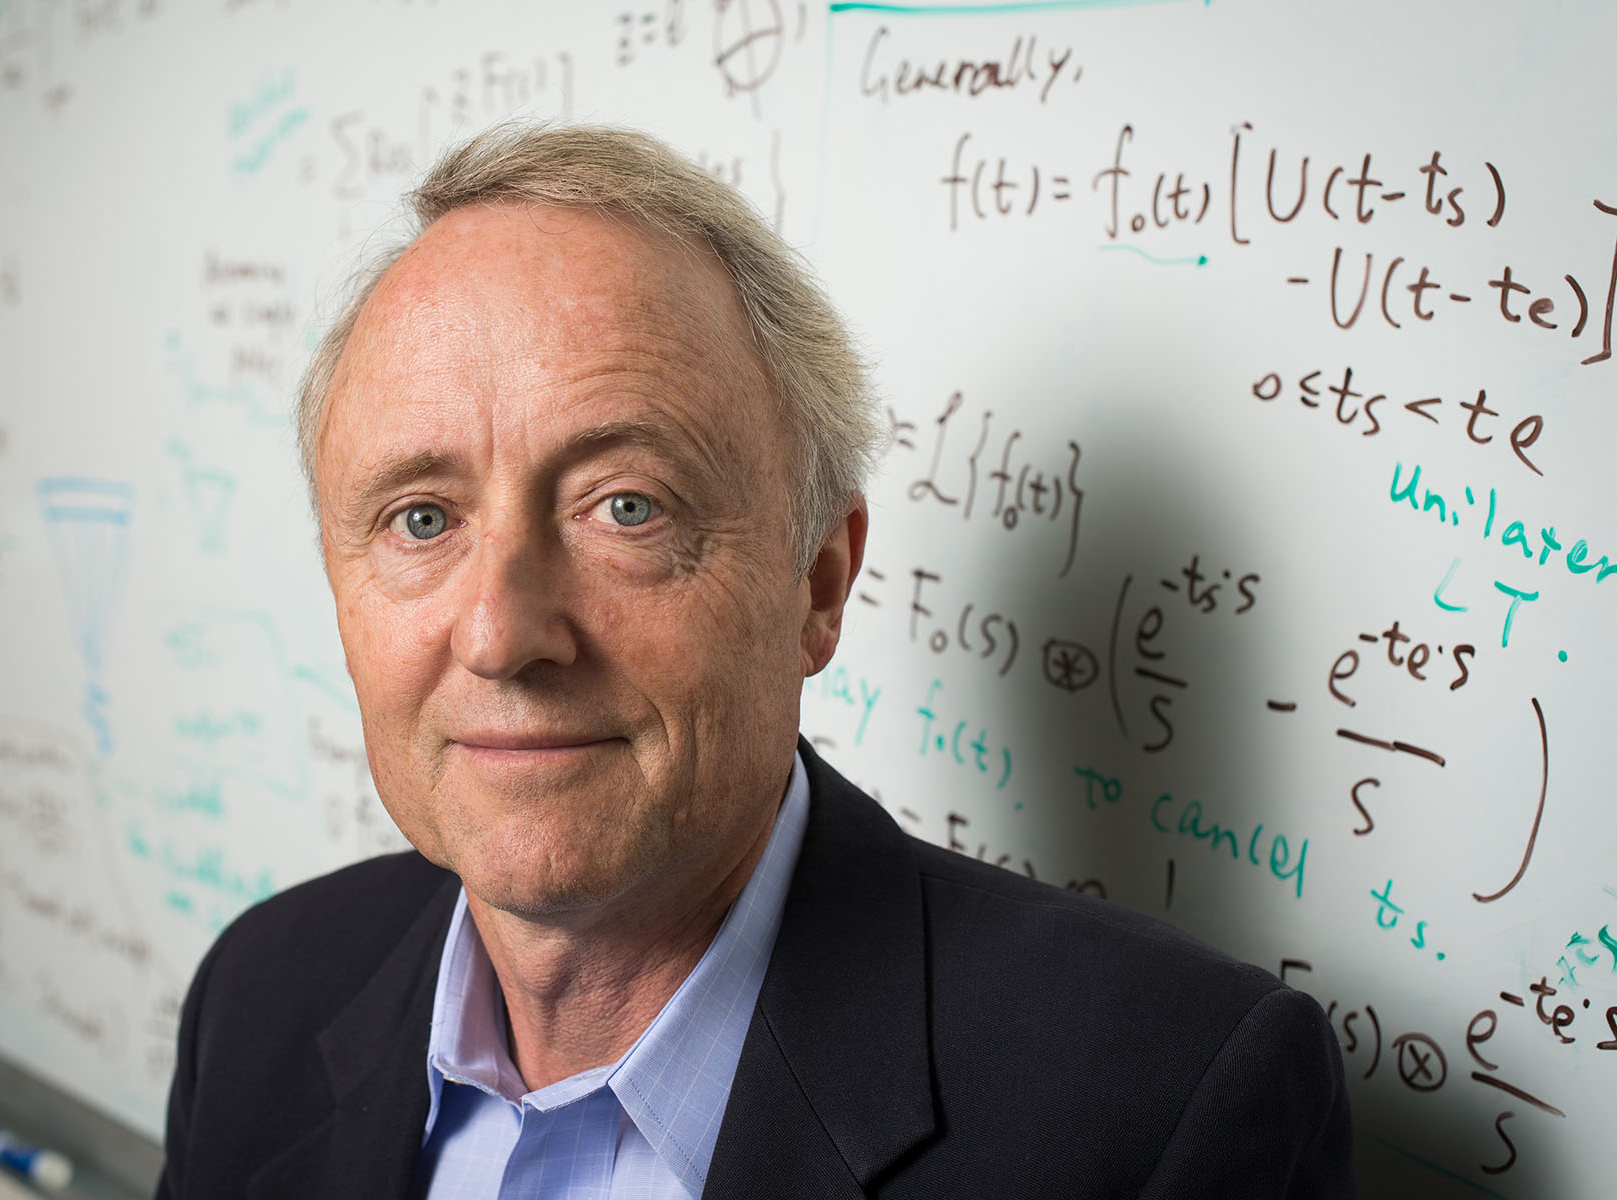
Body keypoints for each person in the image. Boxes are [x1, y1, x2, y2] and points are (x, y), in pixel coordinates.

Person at [157, 123, 1353, 1199]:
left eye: (625, 507)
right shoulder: (261, 993)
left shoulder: (1170, 1109)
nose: (501, 635)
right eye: (422, 518)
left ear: (816, 587)